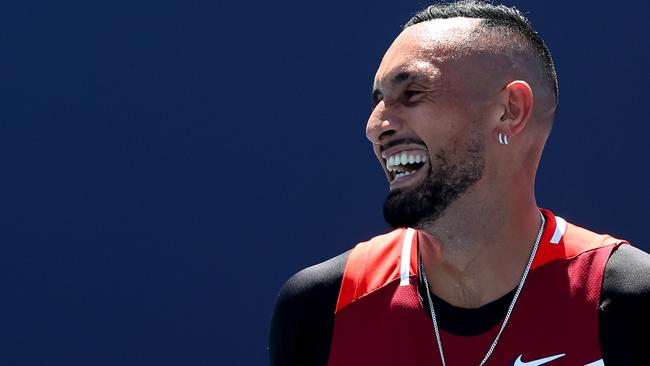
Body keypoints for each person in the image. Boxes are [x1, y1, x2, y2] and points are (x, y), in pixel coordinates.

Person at [268, 1, 650, 365]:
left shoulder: (630, 301)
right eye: (378, 101)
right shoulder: (321, 308)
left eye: (412, 93)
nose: (374, 128)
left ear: (509, 110)